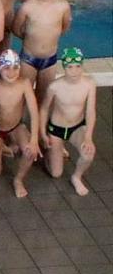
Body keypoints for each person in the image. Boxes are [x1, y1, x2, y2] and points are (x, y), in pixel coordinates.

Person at [39, 48, 96, 197]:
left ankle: (76, 177)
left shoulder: (89, 84)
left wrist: (88, 137)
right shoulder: (55, 87)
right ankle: (50, 153)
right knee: (56, 173)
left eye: (78, 66)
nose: (74, 71)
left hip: (77, 128)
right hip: (56, 130)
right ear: (64, 67)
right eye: (70, 67)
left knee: (88, 154)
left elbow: (90, 112)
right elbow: (44, 110)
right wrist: (43, 134)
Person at [14, 0, 71, 101]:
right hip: (28, 59)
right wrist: (30, 38)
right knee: (23, 98)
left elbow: (64, 28)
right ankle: (21, 122)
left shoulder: (63, 6)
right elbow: (16, 29)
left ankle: (40, 123)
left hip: (49, 61)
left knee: (44, 99)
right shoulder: (27, 6)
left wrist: (50, 37)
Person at [0, 50, 40, 198]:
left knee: (30, 151)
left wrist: (34, 139)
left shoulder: (24, 84)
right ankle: (3, 146)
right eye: (6, 68)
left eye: (15, 68)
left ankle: (18, 180)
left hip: (15, 127)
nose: (11, 73)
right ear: (0, 69)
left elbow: (34, 111)